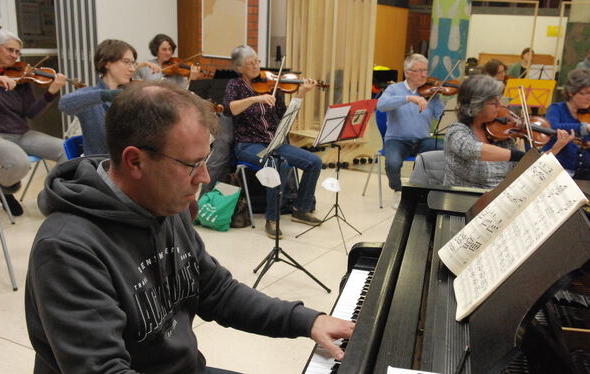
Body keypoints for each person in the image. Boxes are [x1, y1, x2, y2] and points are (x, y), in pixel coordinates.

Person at [25, 81, 353, 374]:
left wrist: (309, 320)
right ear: (134, 161)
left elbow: (218, 292)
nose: (205, 178)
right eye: (192, 165)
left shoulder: (167, 204)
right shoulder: (66, 248)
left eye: (205, 161)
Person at [223, 45, 322, 239]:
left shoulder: (271, 86)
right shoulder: (235, 86)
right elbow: (229, 109)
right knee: (278, 164)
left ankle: (301, 209)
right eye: (250, 64)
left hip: (273, 142)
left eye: (257, 61)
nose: (256, 66)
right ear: (239, 68)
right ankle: (272, 219)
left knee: (314, 162)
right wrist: (255, 99)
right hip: (248, 145)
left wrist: (301, 94)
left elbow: (285, 118)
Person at [441, 75, 573, 189]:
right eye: (494, 102)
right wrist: (518, 155)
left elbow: (527, 168)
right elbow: (471, 149)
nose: (501, 106)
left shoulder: (502, 136)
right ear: (477, 105)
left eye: (500, 100)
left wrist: (556, 148)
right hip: (461, 203)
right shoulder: (457, 131)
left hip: (498, 203)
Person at [0, 29, 68, 216]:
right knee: (19, 163)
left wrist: (51, 93)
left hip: (22, 133)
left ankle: (51, 195)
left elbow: (31, 113)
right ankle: (2, 184)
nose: (14, 56)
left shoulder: (21, 77)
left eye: (17, 52)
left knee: (65, 150)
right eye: (10, 50)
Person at [58, 39, 156, 155]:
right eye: (126, 62)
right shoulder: (91, 97)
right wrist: (108, 95)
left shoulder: (130, 94)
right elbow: (64, 104)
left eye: (133, 63)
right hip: (101, 167)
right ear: (107, 63)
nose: (132, 69)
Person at [376, 53, 444, 208]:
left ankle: (434, 188)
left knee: (450, 149)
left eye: (425, 70)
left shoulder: (430, 92)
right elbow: (381, 105)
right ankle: (398, 190)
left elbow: (441, 116)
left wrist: (439, 100)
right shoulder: (394, 89)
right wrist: (408, 98)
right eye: (419, 70)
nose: (424, 74)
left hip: (423, 140)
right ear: (407, 73)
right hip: (397, 140)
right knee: (392, 163)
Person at [134, 33, 202, 87]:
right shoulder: (146, 66)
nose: (168, 53)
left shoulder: (176, 69)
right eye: (164, 49)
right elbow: (131, 73)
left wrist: (191, 80)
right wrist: (144, 63)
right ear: (156, 50)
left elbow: (184, 93)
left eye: (170, 49)